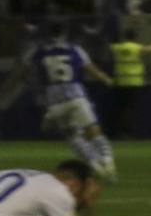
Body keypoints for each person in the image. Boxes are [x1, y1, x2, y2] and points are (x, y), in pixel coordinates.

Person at [28, 23, 118, 182]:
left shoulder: (40, 51)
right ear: (64, 33)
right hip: (76, 96)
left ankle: (95, 166)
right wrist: (107, 79)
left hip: (54, 101)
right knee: (94, 132)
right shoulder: (75, 49)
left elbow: (32, 72)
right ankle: (108, 162)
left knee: (73, 137)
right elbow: (92, 69)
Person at [108, 27, 151, 138]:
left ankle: (121, 131)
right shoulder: (136, 48)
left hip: (120, 82)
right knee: (130, 108)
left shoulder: (117, 48)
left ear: (125, 37)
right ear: (135, 37)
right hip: (134, 82)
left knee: (121, 108)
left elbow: (109, 46)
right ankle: (127, 132)